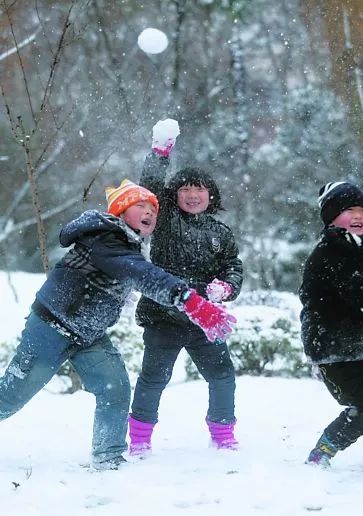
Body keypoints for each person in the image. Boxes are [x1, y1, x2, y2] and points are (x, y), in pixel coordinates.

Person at [0, 179, 236, 470]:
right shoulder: (106, 237)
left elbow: (138, 275)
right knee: (9, 398)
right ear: (122, 211)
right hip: (52, 326)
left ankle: (108, 458)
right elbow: (143, 275)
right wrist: (189, 301)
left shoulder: (129, 246)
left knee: (115, 389)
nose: (149, 211)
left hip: (89, 335)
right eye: (140, 205)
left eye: (153, 208)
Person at [128, 119, 243, 455]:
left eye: (199, 189)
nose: (193, 195)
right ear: (174, 196)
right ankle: (139, 439)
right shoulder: (164, 221)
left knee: (222, 377)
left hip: (205, 321)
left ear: (211, 195)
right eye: (185, 189)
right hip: (163, 316)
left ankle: (223, 434)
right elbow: (149, 187)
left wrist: (227, 287)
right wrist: (159, 154)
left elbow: (233, 266)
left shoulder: (221, 233)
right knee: (153, 380)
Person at [299, 181, 363, 473]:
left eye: (362, 210)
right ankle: (323, 452)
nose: (357, 215)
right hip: (335, 345)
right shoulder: (332, 251)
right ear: (331, 217)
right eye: (348, 210)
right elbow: (362, 295)